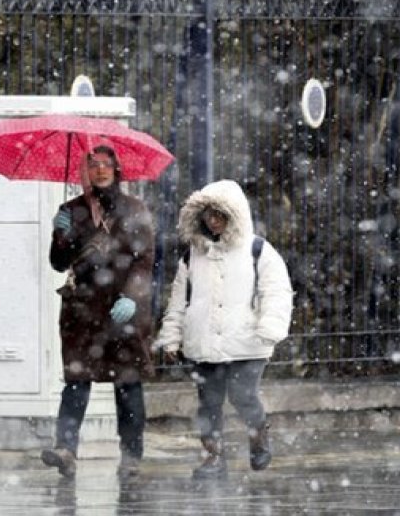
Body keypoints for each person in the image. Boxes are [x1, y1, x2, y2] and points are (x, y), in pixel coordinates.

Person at [154, 179, 294, 480]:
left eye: (220, 214)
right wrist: (171, 336)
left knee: (243, 395)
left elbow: (277, 291)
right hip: (203, 342)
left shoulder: (258, 250)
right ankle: (213, 458)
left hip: (248, 340)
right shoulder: (193, 254)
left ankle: (258, 437)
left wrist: (270, 327)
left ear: (234, 215)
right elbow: (179, 299)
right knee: (209, 402)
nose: (213, 220)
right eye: (207, 214)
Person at [42, 145, 156, 480]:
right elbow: (58, 263)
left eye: (107, 165)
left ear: (117, 170)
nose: (100, 170)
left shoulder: (135, 210)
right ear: (84, 171)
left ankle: (132, 456)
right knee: (76, 382)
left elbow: (144, 260)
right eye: (93, 165)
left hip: (123, 314)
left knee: (128, 385)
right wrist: (61, 235)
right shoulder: (72, 211)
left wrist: (132, 297)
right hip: (82, 310)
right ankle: (66, 450)